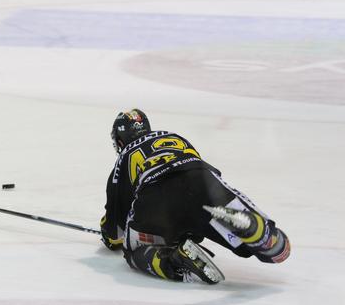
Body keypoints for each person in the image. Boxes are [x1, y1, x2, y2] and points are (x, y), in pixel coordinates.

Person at [100, 109, 291, 284]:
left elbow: (115, 229)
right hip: (203, 183)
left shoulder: (125, 156)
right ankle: (262, 234)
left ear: (120, 140)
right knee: (274, 251)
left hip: (157, 194)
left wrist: (108, 236)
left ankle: (176, 259)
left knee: (134, 251)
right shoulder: (174, 137)